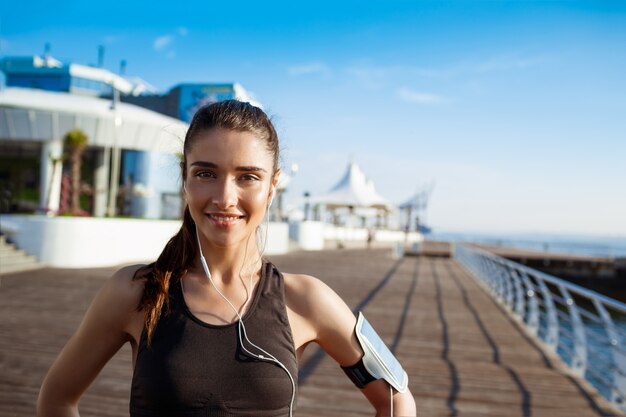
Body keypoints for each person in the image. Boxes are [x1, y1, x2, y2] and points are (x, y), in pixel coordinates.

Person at [37, 100, 416, 417]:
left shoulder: (305, 301)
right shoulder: (135, 292)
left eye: (247, 176)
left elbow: (398, 399)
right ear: (184, 178)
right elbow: (57, 398)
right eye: (206, 173)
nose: (224, 197)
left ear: (272, 186)